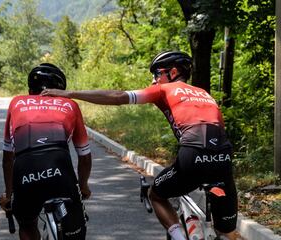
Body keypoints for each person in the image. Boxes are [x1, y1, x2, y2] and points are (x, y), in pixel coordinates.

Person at [41, 51, 238, 240]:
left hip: (193, 154)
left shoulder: (163, 89)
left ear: (173, 72)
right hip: (224, 156)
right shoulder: (204, 93)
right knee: (226, 230)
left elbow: (118, 96)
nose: (153, 80)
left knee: (157, 195)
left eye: (156, 74)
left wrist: (70, 93)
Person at [0, 63, 92, 240]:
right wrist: (83, 186)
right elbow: (84, 157)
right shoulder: (69, 104)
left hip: (25, 170)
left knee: (26, 223)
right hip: (60, 171)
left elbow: (7, 158)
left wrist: (8, 195)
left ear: (30, 88)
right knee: (75, 231)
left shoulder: (16, 102)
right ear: (60, 89)